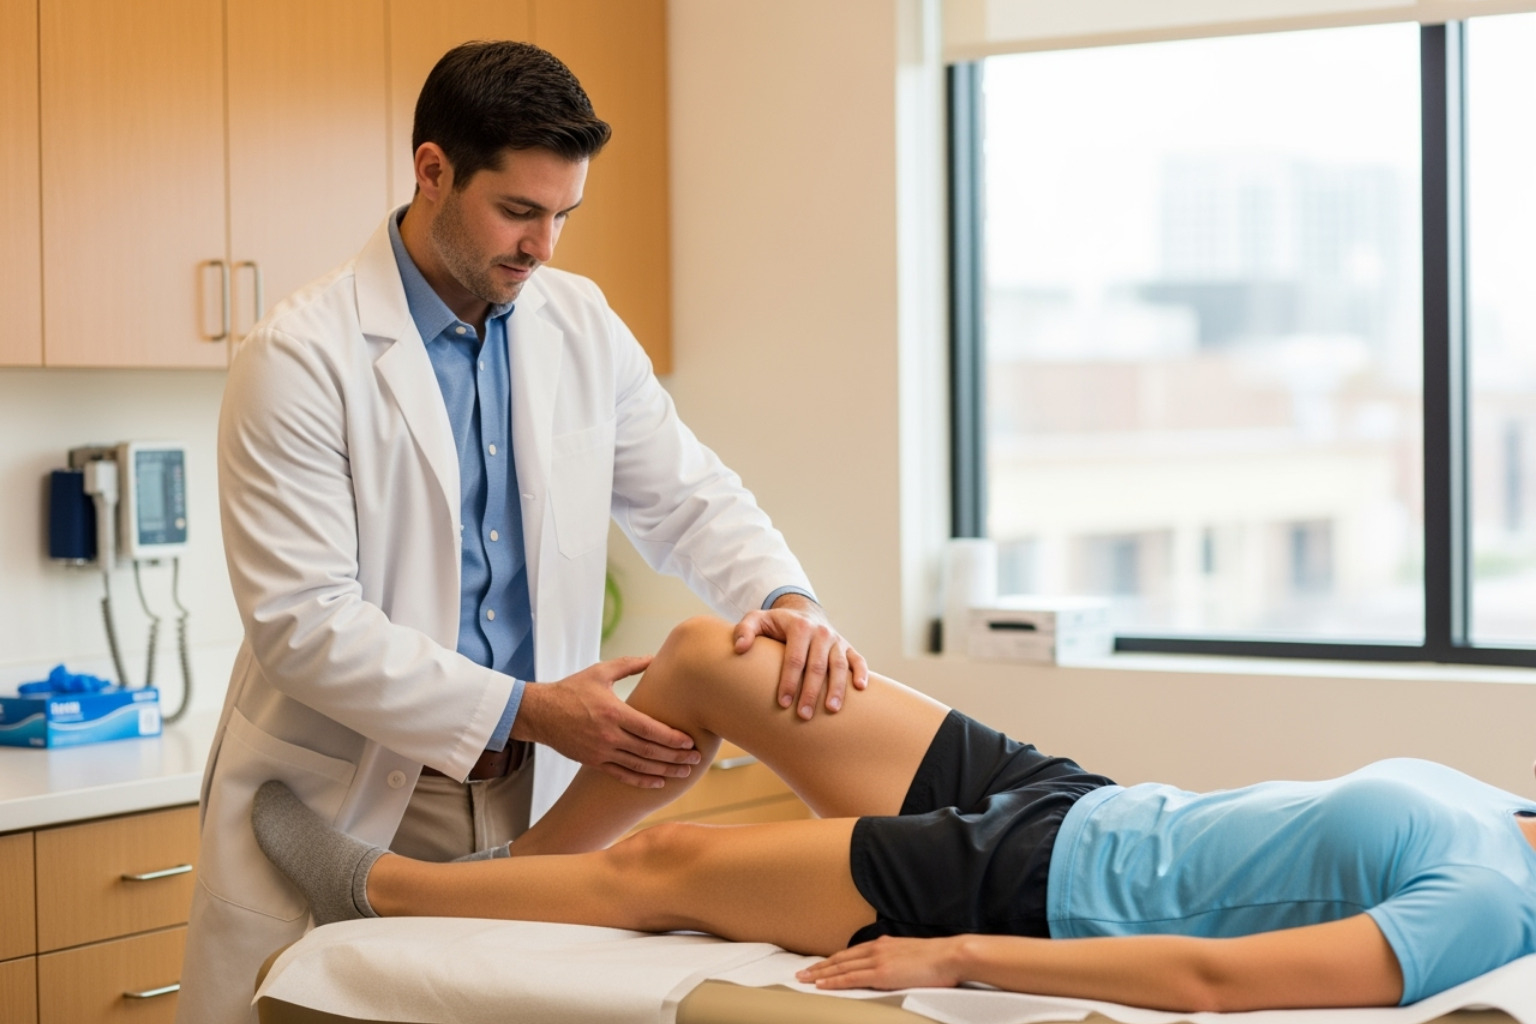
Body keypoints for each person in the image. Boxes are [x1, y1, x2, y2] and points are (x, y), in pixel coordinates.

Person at [179, 41, 866, 1024]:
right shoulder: (299, 355)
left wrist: (788, 600)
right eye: (518, 211)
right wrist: (531, 710)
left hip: (532, 794)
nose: (544, 245)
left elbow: (689, 496)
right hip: (365, 784)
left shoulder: (578, 323)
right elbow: (305, 623)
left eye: (563, 215)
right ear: (433, 170)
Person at [253, 615, 1536, 1013]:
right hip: (1082, 800)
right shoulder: (1508, 811)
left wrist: (959, 955)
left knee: (677, 862)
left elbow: (1212, 980)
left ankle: (383, 888)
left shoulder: (1489, 903)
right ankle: (515, 879)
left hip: (1039, 886)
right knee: (710, 658)